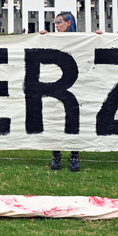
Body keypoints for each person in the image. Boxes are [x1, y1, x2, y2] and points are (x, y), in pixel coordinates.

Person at [40, 12, 84, 172]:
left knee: (74, 119)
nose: (56, 25)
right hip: (56, 83)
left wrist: (99, 36)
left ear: (69, 23)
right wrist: (42, 37)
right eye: (56, 23)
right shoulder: (53, 38)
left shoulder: (80, 38)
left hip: (74, 84)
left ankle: (74, 154)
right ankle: (56, 153)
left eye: (59, 22)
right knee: (55, 118)